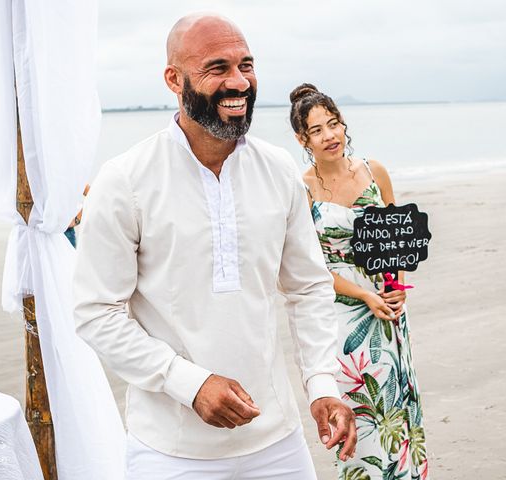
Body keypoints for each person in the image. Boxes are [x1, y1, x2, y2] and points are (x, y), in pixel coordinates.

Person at [73, 15, 356, 479]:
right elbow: (96, 312)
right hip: (170, 450)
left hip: (278, 441)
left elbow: (308, 288)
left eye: (246, 65)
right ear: (173, 79)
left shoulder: (279, 169)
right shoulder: (125, 180)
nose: (239, 81)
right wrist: (190, 383)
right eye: (217, 68)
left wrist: (322, 383)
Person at [290, 83, 428, 480]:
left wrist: (396, 288)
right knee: (359, 406)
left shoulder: (373, 171)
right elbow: (309, 267)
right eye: (317, 130)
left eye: (333, 124)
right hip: (343, 312)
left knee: (398, 403)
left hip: (387, 307)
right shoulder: (303, 189)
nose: (330, 135)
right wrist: (364, 295)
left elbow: (397, 238)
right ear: (303, 139)